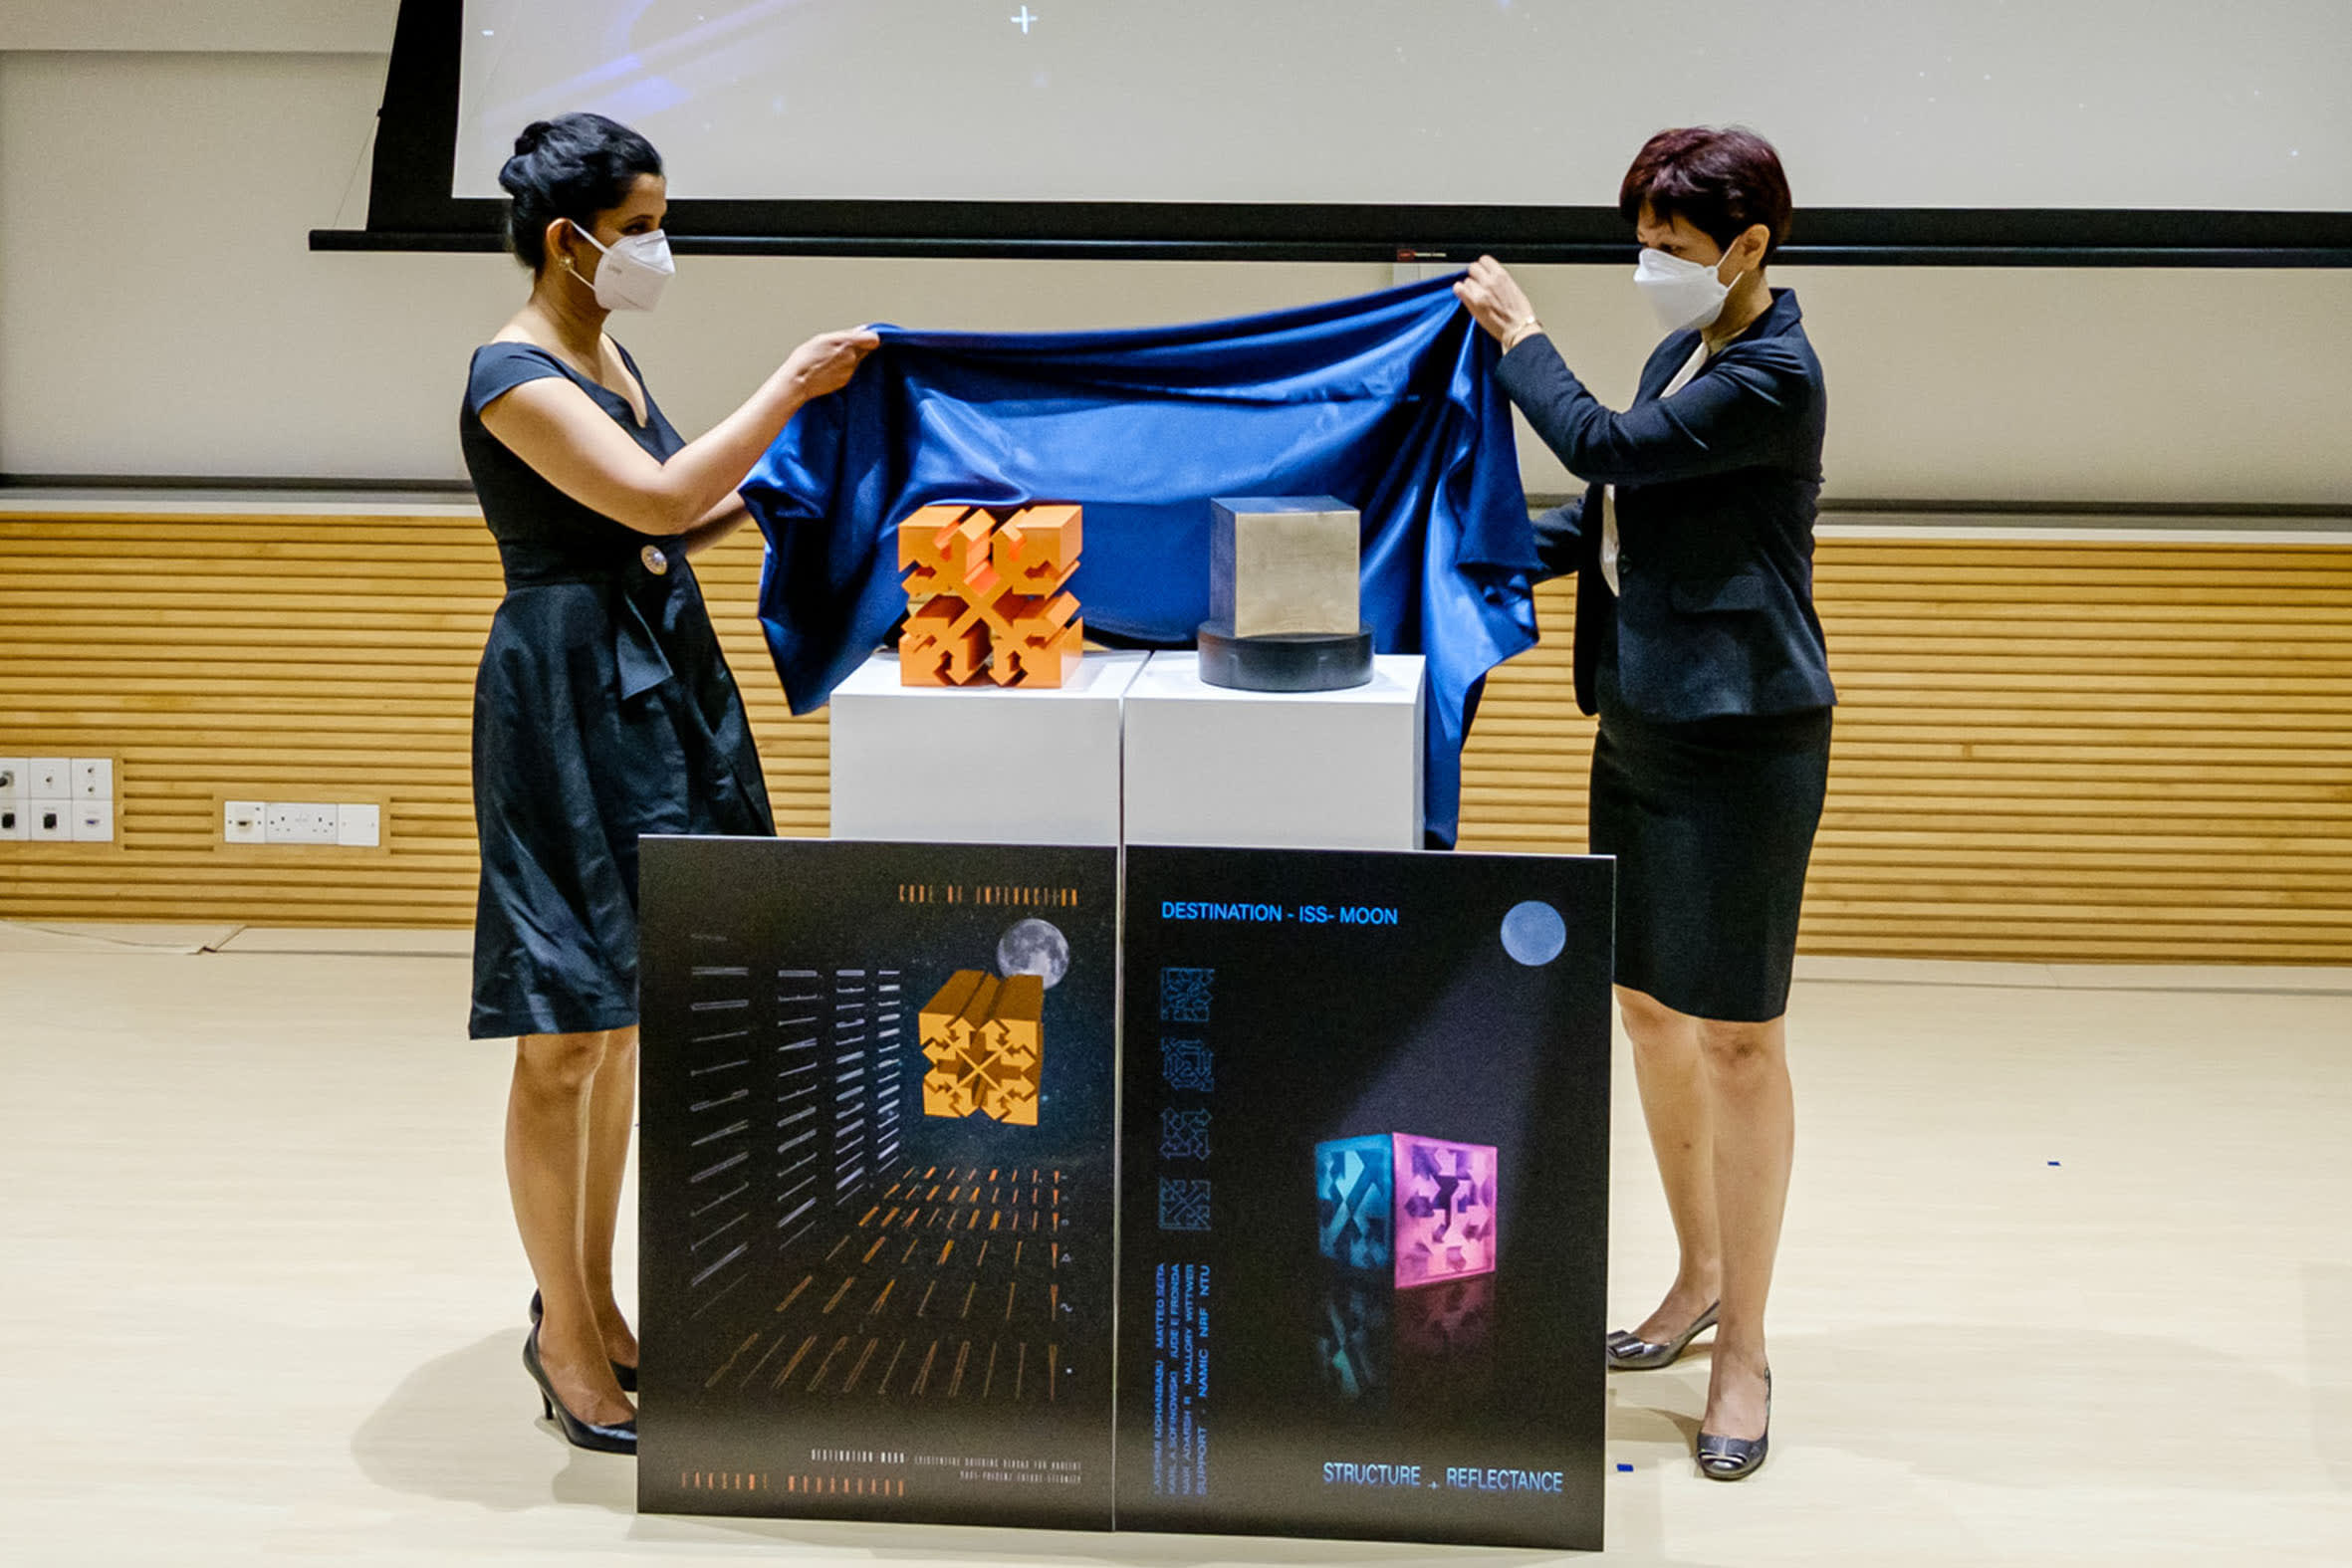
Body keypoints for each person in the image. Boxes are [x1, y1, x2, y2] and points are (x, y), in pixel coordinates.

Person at [460, 112, 877, 1454]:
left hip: (657, 676)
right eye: (639, 224)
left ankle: (594, 1302)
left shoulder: (607, 349)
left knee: (635, 1010)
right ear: (566, 237)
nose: (657, 244)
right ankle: (564, 1335)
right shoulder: (509, 372)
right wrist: (786, 389)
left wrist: (803, 479)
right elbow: (645, 503)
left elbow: (684, 510)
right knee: (563, 1025)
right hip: (566, 693)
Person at [1454, 125, 1832, 1481]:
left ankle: (1747, 1350)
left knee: (1738, 1039)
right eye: (1642, 244)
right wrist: (1468, 571)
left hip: (1745, 739)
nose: (1650, 269)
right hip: (1643, 720)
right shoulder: (1691, 352)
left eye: (1670, 249)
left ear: (1748, 246)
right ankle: (1696, 1279)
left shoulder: (1775, 373)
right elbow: (1620, 515)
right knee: (1646, 1008)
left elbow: (1604, 447)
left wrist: (1519, 343)